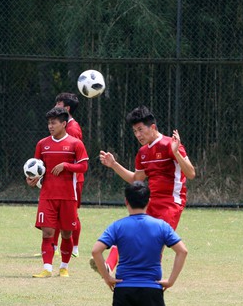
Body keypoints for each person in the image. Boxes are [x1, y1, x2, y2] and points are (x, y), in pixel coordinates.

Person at [98, 105, 196, 271]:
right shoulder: (143, 152)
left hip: (171, 203)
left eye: (140, 130)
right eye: (135, 131)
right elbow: (136, 179)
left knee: (154, 242)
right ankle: (108, 266)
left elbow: (191, 173)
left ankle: (150, 281)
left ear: (153, 127)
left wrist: (176, 153)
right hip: (149, 201)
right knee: (131, 230)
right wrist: (114, 165)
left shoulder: (170, 145)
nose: (138, 135)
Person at [27, 107, 88, 278]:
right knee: (47, 232)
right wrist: (32, 179)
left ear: (63, 123)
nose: (50, 126)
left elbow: (83, 166)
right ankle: (47, 268)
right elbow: (37, 168)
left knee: (67, 233)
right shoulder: (42, 144)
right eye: (49, 123)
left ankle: (64, 267)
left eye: (54, 123)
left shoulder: (75, 144)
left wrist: (66, 166)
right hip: (47, 195)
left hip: (68, 196)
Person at [53, 92, 83, 257]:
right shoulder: (62, 126)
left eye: (58, 104)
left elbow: (76, 157)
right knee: (56, 212)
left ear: (67, 108)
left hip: (73, 178)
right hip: (61, 176)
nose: (55, 106)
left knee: (71, 214)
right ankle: (54, 246)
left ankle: (75, 248)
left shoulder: (72, 128)